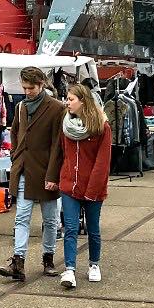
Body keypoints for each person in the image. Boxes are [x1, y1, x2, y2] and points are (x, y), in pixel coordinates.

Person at [0, 67, 64, 282]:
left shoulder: (56, 108)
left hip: (46, 170)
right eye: (24, 87)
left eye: (31, 88)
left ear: (42, 84)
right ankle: (18, 261)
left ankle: (48, 258)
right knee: (21, 217)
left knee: (50, 219)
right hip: (24, 168)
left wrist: (53, 175)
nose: (27, 91)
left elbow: (57, 145)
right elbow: (15, 131)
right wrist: (16, 155)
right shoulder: (20, 107)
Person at [57, 84, 112, 290]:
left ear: (83, 101)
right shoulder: (66, 125)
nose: (67, 102)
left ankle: (94, 264)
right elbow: (61, 152)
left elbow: (102, 161)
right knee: (70, 228)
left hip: (93, 187)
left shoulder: (102, 126)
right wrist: (58, 177)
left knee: (93, 229)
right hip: (69, 185)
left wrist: (92, 189)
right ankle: (69, 269)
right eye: (67, 98)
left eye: (71, 99)